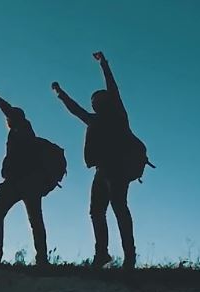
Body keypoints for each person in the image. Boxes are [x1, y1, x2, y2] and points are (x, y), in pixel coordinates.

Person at [52, 51, 137, 269]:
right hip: (102, 170)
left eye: (98, 99)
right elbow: (75, 110)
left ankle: (129, 256)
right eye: (93, 101)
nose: (95, 102)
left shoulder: (118, 114)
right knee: (96, 211)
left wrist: (104, 64)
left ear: (106, 101)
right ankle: (102, 254)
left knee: (119, 207)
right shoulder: (93, 120)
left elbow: (113, 88)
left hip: (118, 167)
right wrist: (61, 94)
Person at [0, 92, 48, 266]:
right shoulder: (17, 134)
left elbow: (10, 112)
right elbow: (17, 165)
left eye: (9, 118)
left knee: (32, 220)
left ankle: (40, 259)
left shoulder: (24, 127)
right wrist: (1, 185)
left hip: (26, 183)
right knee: (3, 216)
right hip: (17, 183)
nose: (7, 121)